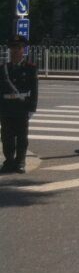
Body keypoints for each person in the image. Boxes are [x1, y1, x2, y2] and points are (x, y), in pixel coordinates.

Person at [1, 35, 38, 174]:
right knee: (6, 137)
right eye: (13, 48)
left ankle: (21, 161)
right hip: (6, 108)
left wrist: (32, 108)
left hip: (22, 107)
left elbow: (34, 89)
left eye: (18, 48)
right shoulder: (4, 68)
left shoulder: (30, 68)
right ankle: (9, 160)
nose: (15, 51)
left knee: (22, 137)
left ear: (23, 50)